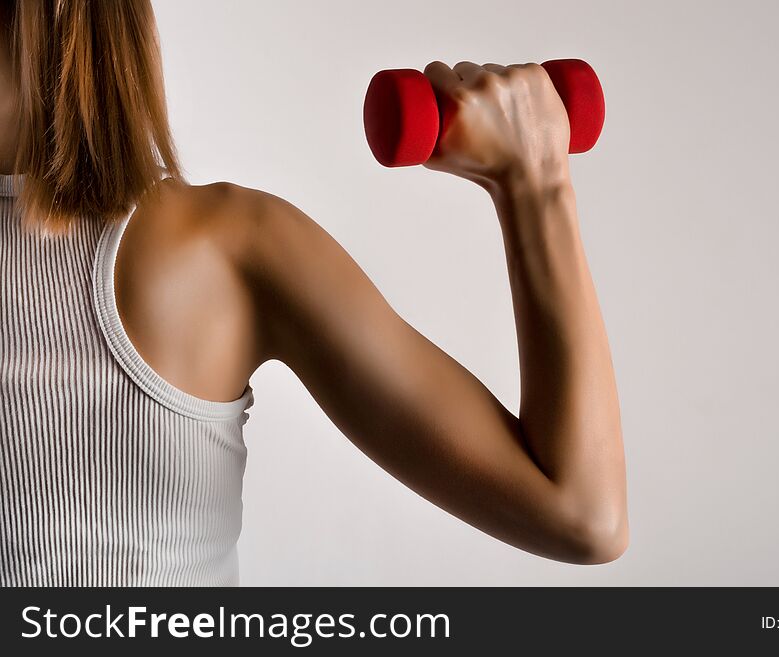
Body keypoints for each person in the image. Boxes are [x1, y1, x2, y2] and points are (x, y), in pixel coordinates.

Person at [0, 0, 628, 586]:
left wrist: (536, 185)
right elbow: (581, 516)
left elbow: (580, 518)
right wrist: (535, 179)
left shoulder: (226, 249)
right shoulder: (224, 246)